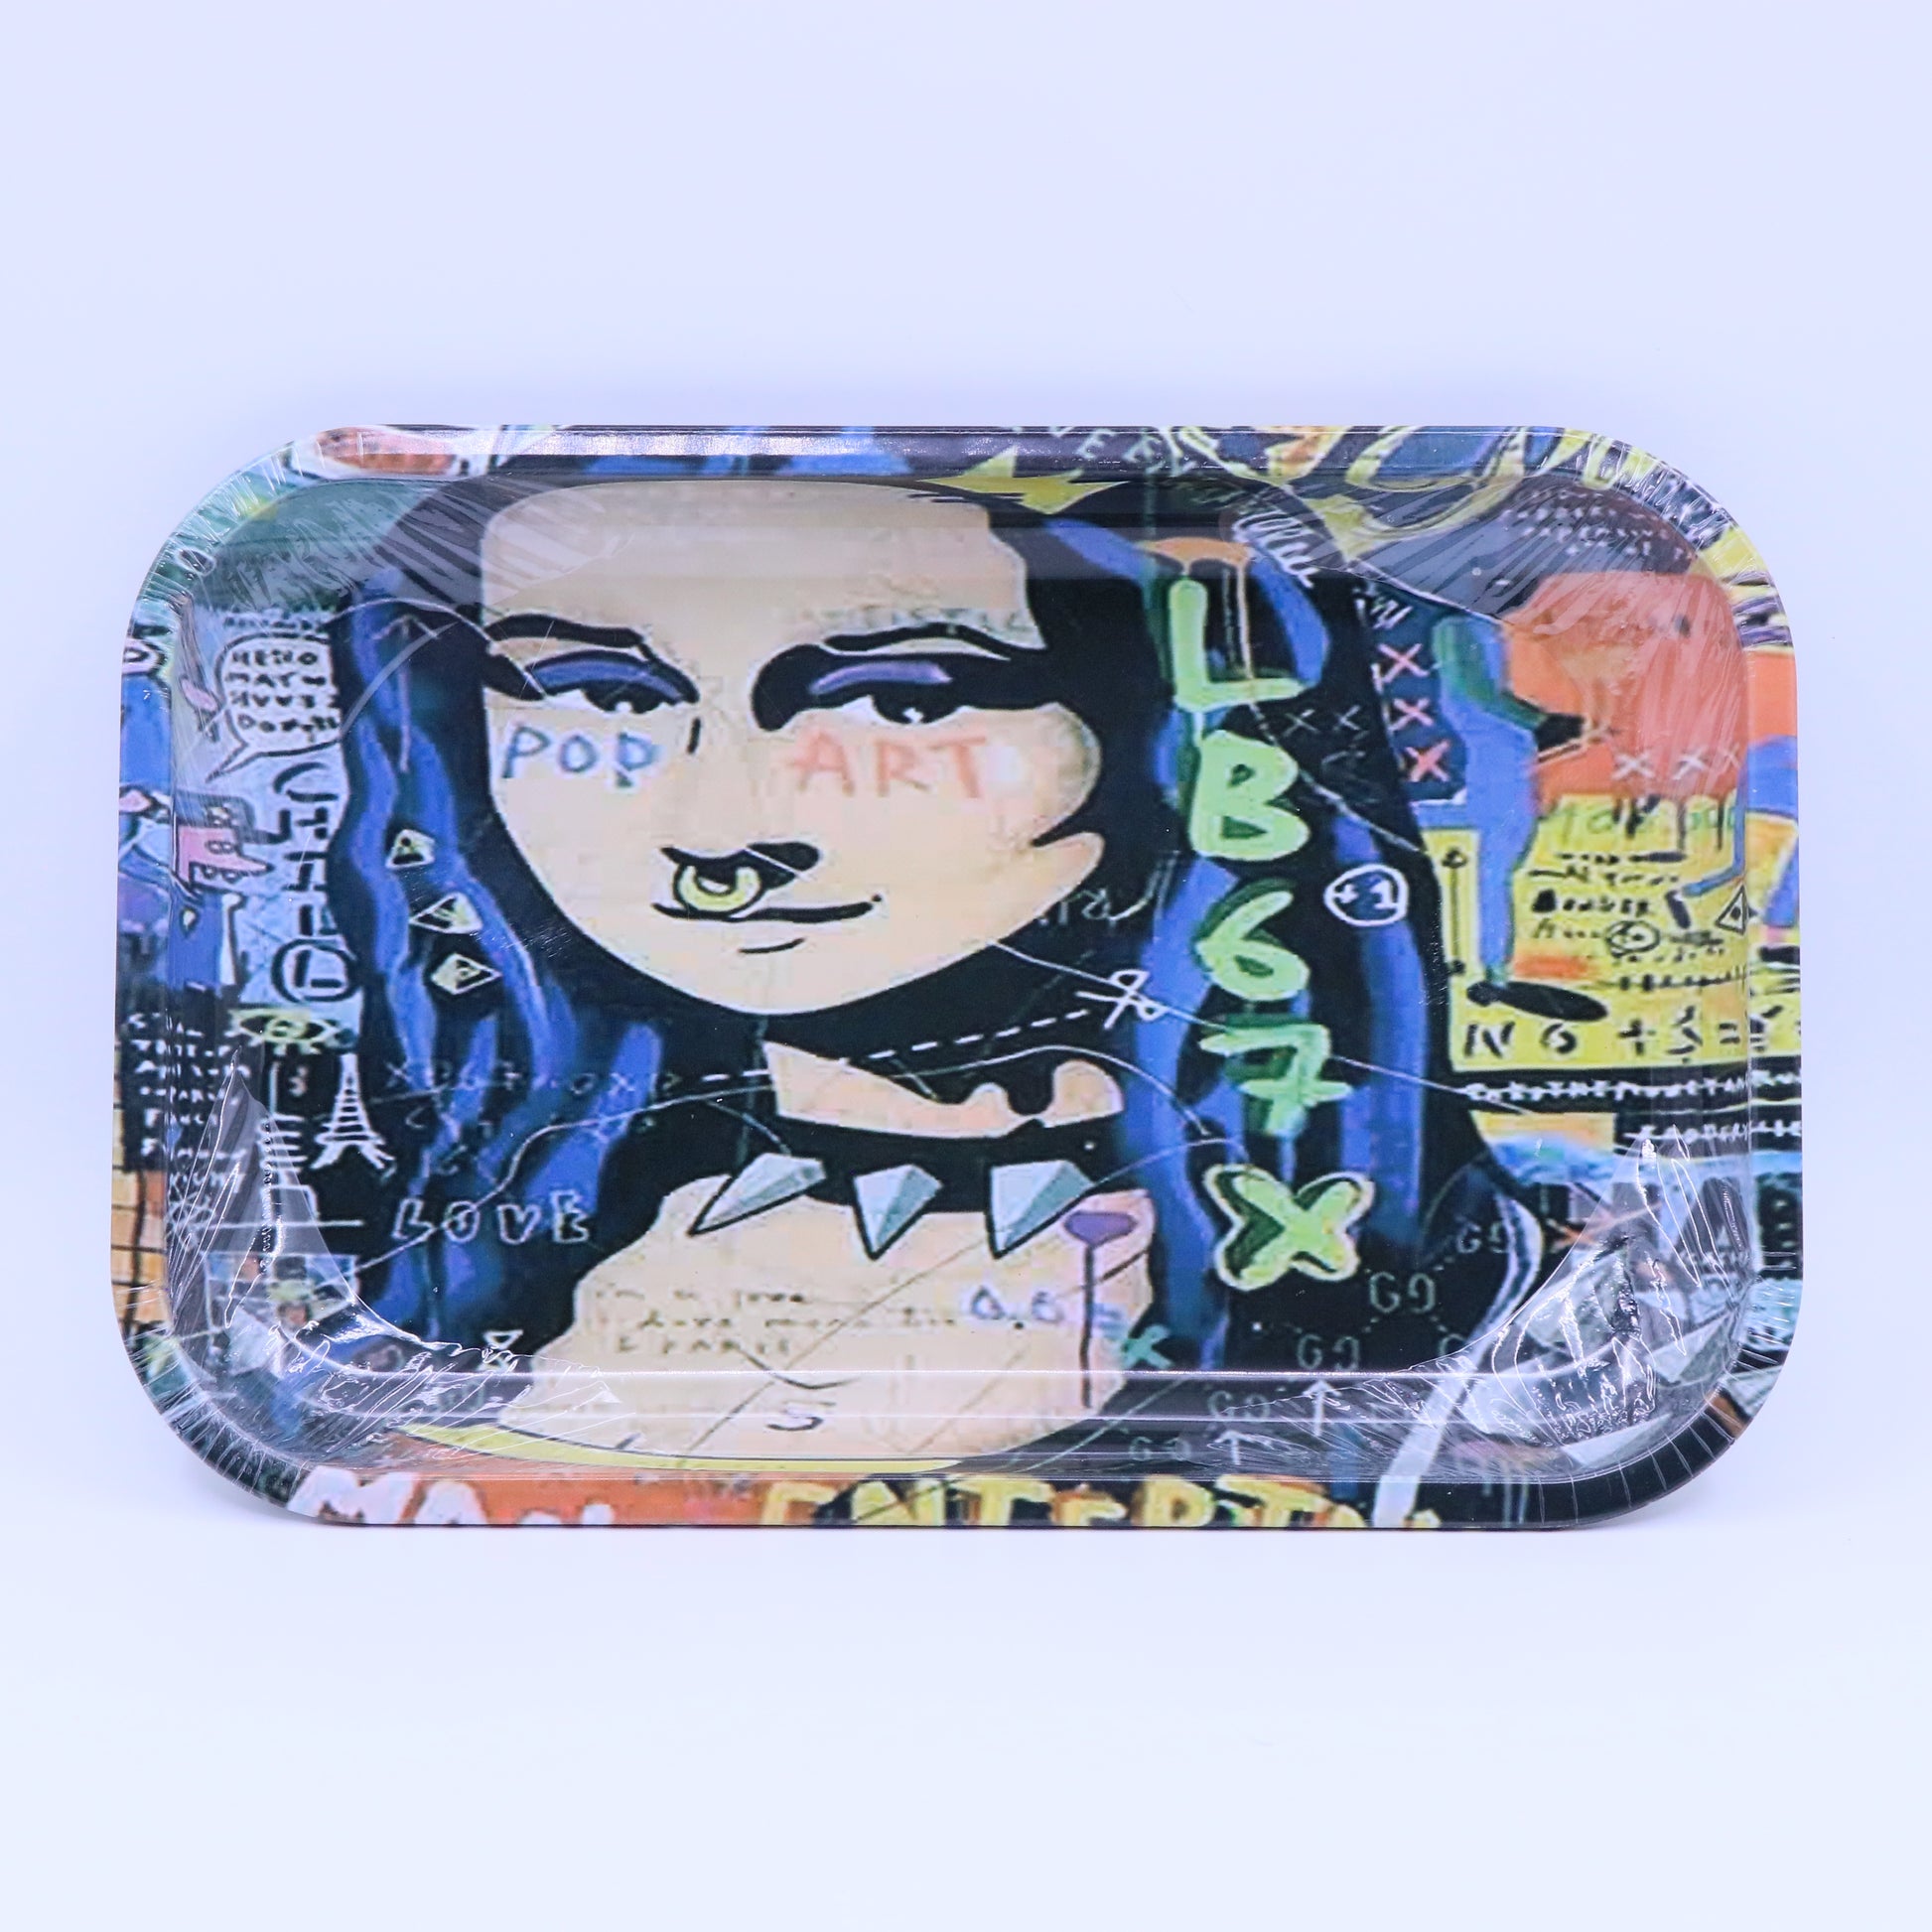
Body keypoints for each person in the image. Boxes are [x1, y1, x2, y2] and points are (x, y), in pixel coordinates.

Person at [313, 450, 1527, 1463]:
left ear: (1164, 719)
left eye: (901, 700)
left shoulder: (1463, 1312)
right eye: (604, 695)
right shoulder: (403, 1269)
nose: (723, 834)